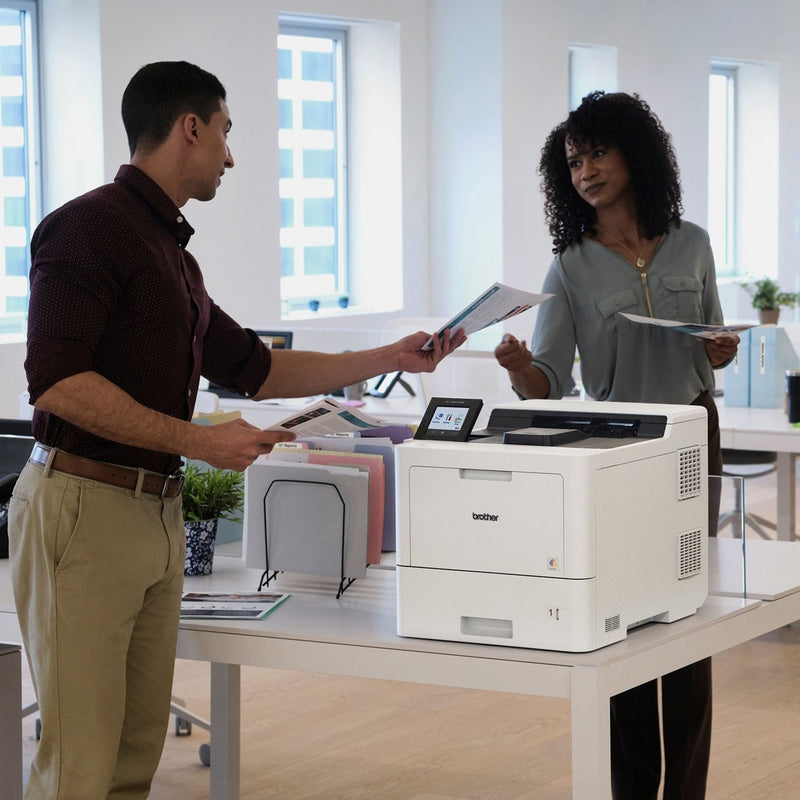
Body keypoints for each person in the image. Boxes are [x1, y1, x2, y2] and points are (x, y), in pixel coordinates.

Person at [9, 60, 465, 800]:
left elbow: (258, 369)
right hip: (83, 510)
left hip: (151, 511)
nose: (230, 154)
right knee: (78, 768)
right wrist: (203, 442)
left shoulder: (175, 262)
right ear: (190, 126)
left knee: (131, 760)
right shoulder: (88, 227)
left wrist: (391, 355)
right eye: (225, 132)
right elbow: (57, 381)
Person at [494, 91, 739, 800]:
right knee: (628, 618)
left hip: (694, 433)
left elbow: (715, 345)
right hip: (622, 445)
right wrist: (517, 367)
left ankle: (686, 790)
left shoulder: (693, 243)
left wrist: (720, 349)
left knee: (690, 614)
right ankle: (632, 789)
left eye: (597, 153)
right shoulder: (569, 267)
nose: (586, 171)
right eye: (573, 162)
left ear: (636, 153)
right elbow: (547, 382)